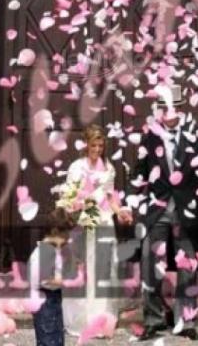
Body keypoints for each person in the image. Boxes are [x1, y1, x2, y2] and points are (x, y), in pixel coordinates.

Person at [128, 86, 198, 342]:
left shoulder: (197, 135)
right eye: (162, 108)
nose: (166, 113)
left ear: (179, 109)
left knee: (188, 266)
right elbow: (138, 173)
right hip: (156, 210)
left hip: (187, 210)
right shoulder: (150, 137)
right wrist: (128, 202)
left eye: (170, 108)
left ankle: (186, 320)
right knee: (149, 265)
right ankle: (154, 320)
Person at [61, 124, 131, 337]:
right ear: (86, 145)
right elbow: (69, 197)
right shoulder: (76, 167)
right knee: (87, 268)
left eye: (101, 146)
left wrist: (119, 212)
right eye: (94, 145)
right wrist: (74, 207)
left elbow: (110, 196)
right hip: (86, 221)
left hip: (105, 221)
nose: (98, 150)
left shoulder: (108, 167)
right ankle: (87, 319)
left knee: (105, 268)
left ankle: (102, 317)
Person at [29, 207, 76, 346]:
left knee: (56, 336)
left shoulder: (52, 250)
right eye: (66, 236)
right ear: (55, 231)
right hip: (44, 301)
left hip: (53, 299)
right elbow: (44, 279)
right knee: (48, 338)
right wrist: (64, 281)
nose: (68, 240)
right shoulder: (44, 252)